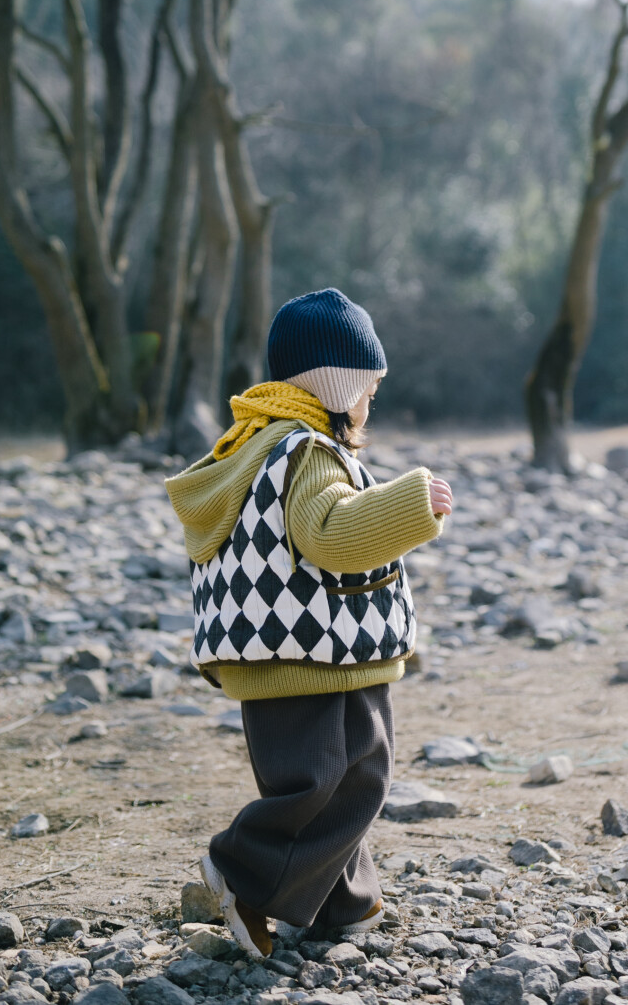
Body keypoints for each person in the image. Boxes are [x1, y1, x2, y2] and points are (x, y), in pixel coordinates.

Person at [166, 288, 453, 958]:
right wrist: (412, 505)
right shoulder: (306, 452)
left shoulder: (265, 442)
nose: (370, 403)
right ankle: (244, 874)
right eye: (367, 390)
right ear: (336, 385)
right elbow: (330, 534)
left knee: (347, 776)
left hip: (303, 645)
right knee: (326, 783)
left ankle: (338, 902)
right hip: (310, 651)